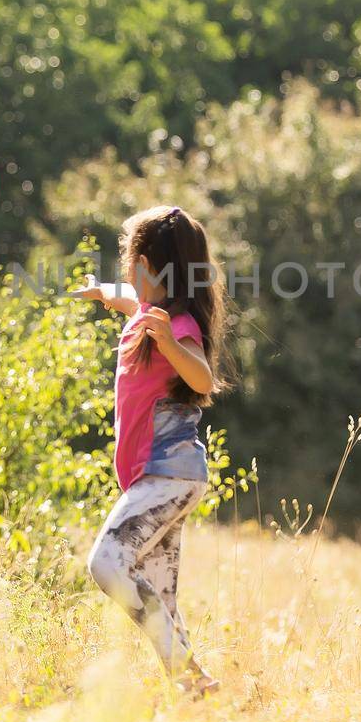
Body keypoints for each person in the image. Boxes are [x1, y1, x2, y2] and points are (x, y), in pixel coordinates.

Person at [71, 205, 228, 695]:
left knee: (107, 562)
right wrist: (105, 293)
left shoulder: (176, 326)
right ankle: (196, 689)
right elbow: (130, 301)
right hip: (158, 476)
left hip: (169, 474)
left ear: (148, 266)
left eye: (128, 259)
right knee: (160, 592)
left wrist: (169, 343)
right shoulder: (148, 311)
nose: (124, 269)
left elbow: (201, 377)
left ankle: (185, 670)